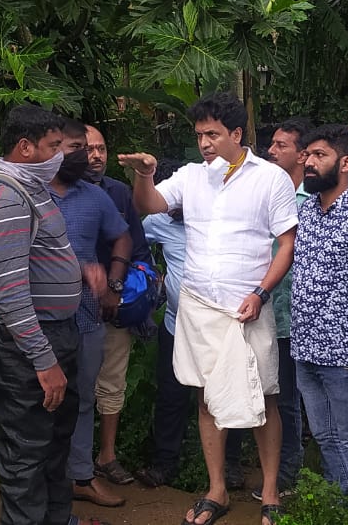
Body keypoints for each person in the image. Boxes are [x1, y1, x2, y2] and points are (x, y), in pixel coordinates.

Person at [120, 92, 298, 525]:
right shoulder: (190, 177)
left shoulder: (270, 179)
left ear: (237, 134)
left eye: (213, 134)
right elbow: (147, 205)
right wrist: (144, 175)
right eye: (200, 135)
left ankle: (270, 491)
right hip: (198, 306)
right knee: (206, 398)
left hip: (248, 307)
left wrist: (261, 293)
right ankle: (216, 489)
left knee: (264, 397)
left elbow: (287, 245)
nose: (204, 143)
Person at [0, 105, 104, 525]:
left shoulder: (32, 188)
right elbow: (9, 293)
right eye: (53, 146)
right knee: (26, 452)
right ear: (25, 148)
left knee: (54, 442)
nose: (61, 155)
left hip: (55, 334)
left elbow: (35, 256)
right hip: (25, 348)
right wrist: (44, 362)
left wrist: (76, 270)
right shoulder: (5, 199)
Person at [289, 124, 348, 514]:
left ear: (345, 163)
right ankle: (338, 508)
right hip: (305, 347)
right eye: (308, 154)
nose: (309, 162)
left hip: (345, 352)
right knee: (324, 436)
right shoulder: (306, 211)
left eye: (319, 155)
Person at [223, 119, 309, 499]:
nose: (271, 151)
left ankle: (287, 473)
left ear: (302, 155)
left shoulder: (310, 201)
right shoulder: (258, 189)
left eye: (281, 145)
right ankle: (233, 466)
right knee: (241, 384)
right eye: (271, 144)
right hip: (251, 308)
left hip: (289, 313)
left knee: (283, 397)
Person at [50, 120, 133, 509]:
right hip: (40, 321)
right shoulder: (29, 196)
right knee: (40, 401)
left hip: (86, 316)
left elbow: (122, 236)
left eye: (85, 148)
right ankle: (42, 481)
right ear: (51, 149)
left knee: (82, 397)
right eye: (73, 147)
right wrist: (78, 269)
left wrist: (114, 282)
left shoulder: (95, 196)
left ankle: (81, 476)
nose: (83, 155)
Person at [83, 123, 152, 487]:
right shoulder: (57, 192)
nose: (96, 155)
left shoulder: (119, 193)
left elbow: (136, 247)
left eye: (101, 149)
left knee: (112, 381)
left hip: (114, 304)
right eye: (88, 149)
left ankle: (106, 456)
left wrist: (121, 291)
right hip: (72, 307)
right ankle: (75, 464)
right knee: (76, 385)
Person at [134, 159, 193, 489]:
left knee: (220, 395)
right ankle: (164, 464)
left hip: (217, 325)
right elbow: (135, 243)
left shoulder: (214, 216)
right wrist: (150, 275)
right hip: (174, 324)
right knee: (171, 394)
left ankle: (228, 466)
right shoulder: (158, 219)